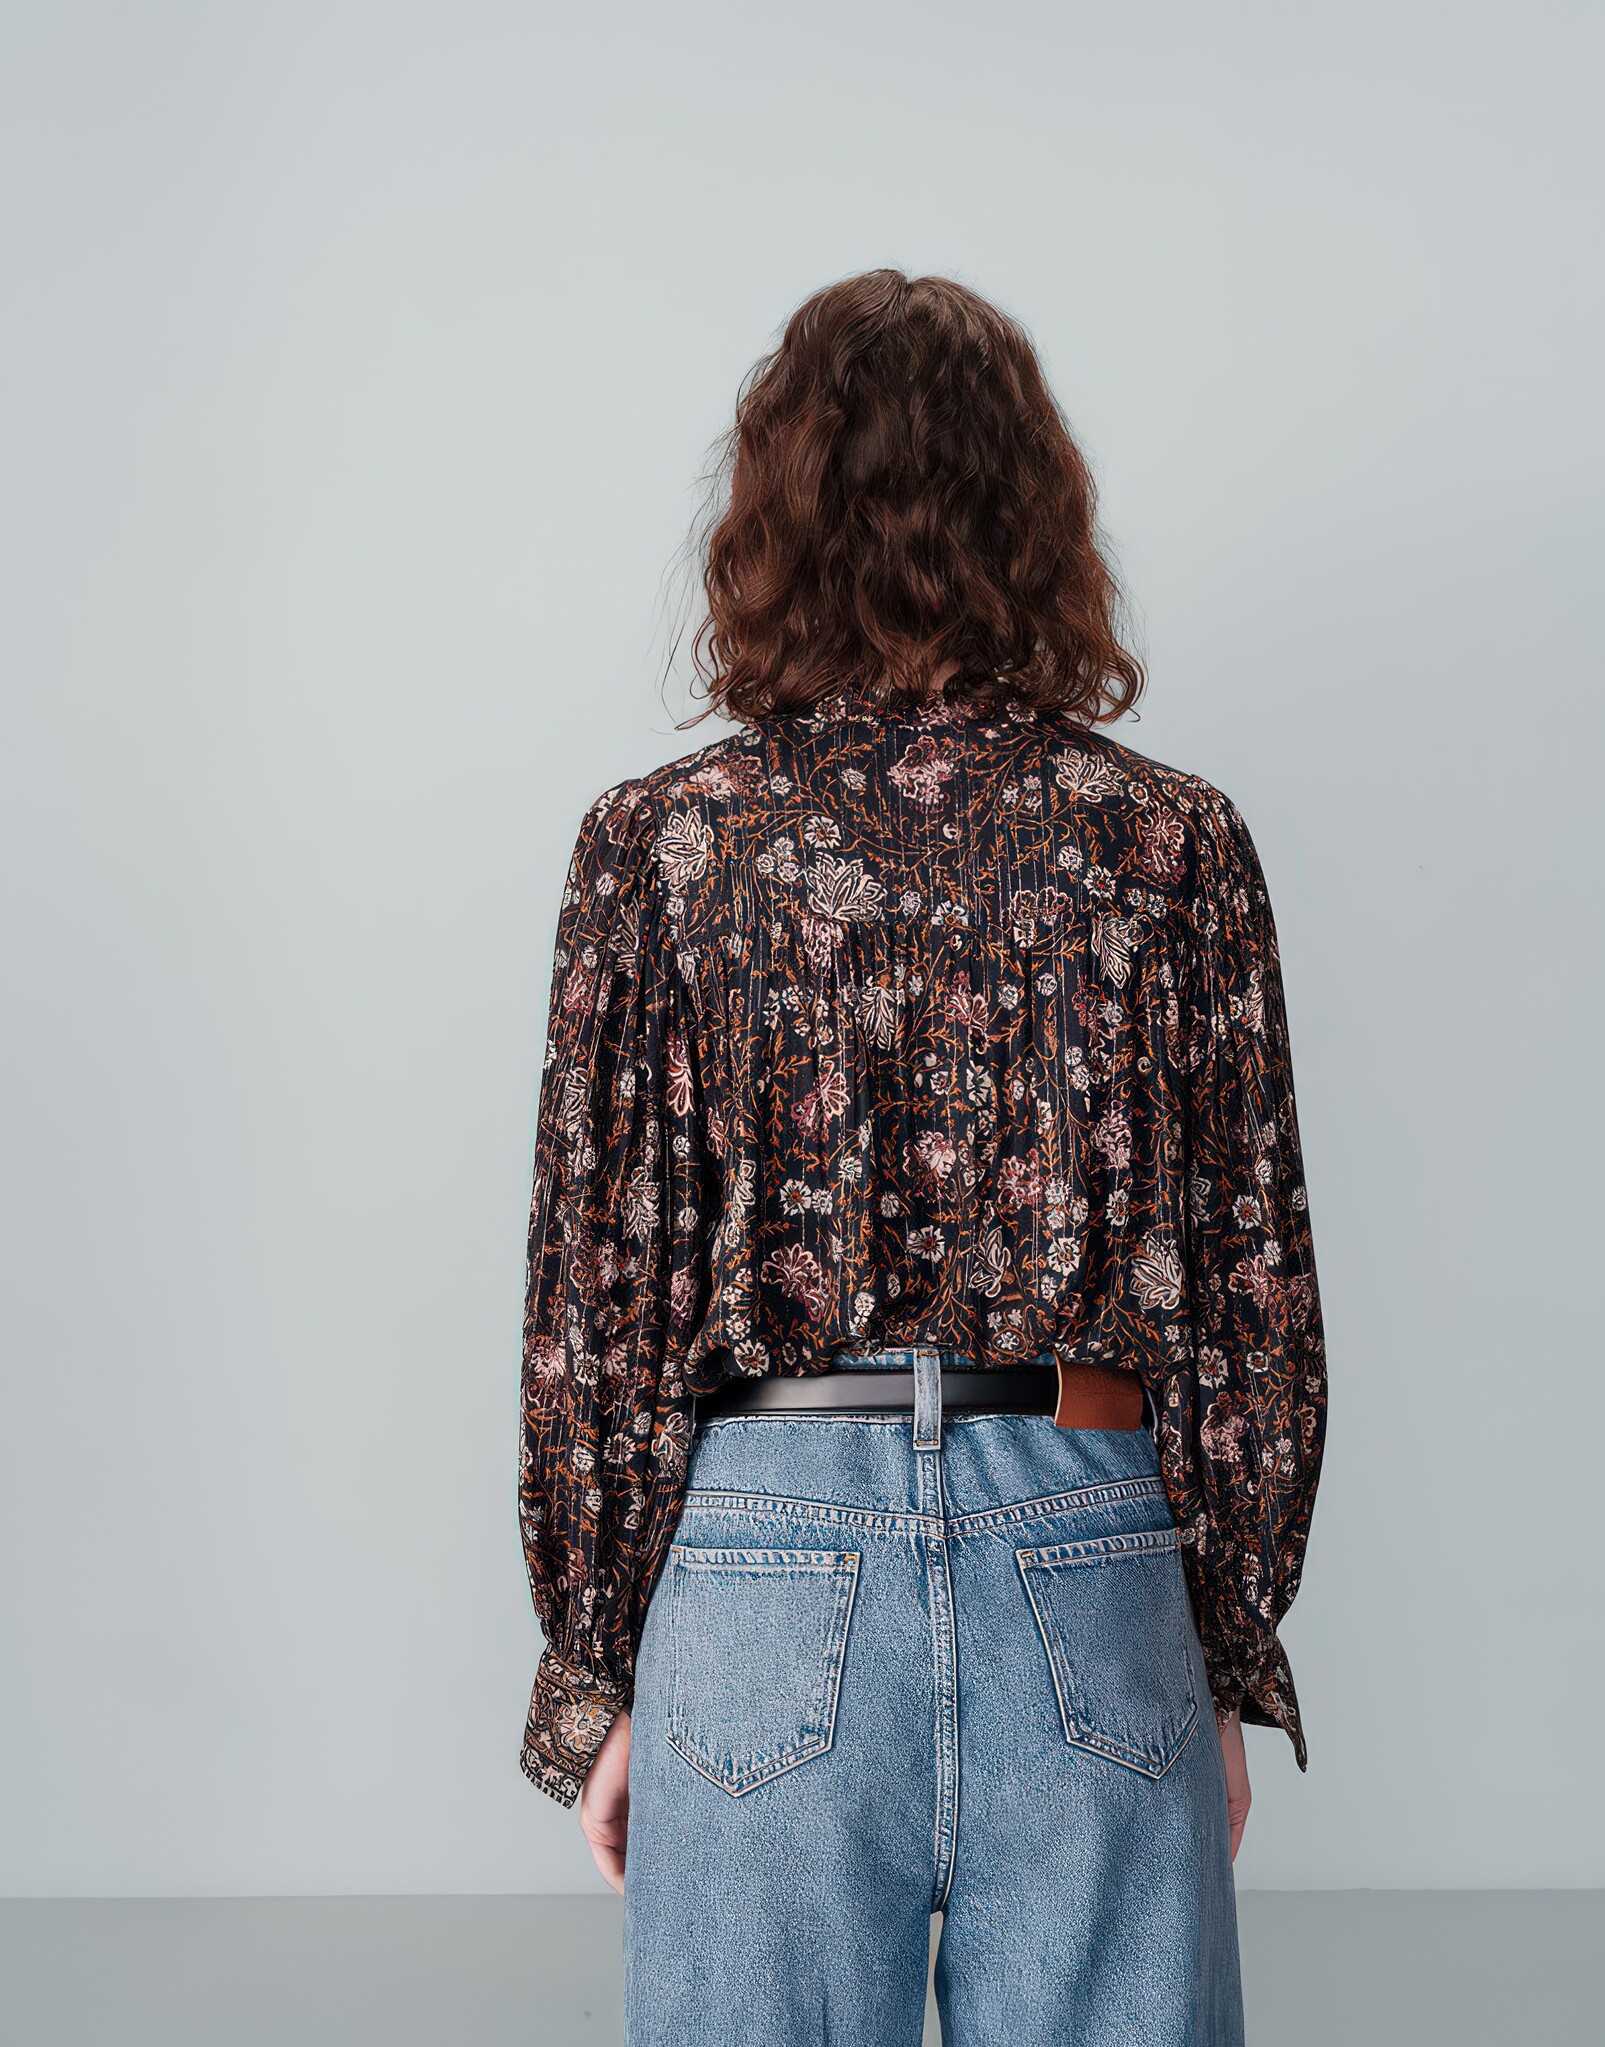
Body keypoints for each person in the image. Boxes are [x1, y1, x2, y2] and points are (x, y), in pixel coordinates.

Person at [517, 269, 1327, 2047]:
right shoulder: (1169, 845)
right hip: (1088, 1541)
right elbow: (1251, 1292)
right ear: (1036, 514)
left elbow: (598, 1299)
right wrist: (1215, 1651)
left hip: (757, 1551)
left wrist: (599, 1668)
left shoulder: (659, 849)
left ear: (769, 520)